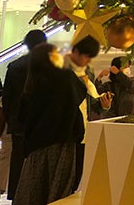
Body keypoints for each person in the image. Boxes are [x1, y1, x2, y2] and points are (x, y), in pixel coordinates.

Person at [14, 44, 85, 205]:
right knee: (58, 190)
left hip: (36, 145)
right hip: (62, 141)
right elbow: (80, 92)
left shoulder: (33, 81)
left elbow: (22, 115)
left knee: (34, 188)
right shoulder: (64, 76)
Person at [0, 28, 49, 204]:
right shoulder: (49, 67)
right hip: (41, 123)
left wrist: (11, 118)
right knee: (40, 162)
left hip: (19, 123)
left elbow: (7, 97)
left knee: (18, 160)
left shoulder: (14, 66)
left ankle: (16, 195)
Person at [66, 36, 111, 188]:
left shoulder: (88, 73)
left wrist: (104, 105)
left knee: (76, 176)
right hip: (64, 133)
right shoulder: (62, 71)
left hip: (83, 132)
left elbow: (91, 102)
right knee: (64, 177)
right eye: (86, 56)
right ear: (76, 52)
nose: (88, 61)